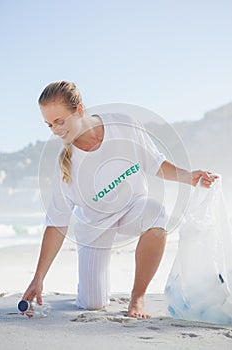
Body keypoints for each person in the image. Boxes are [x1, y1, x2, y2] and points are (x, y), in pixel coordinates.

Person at [22, 81, 217, 318]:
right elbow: (57, 223)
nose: (55, 130)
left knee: (156, 212)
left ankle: (138, 297)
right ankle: (89, 287)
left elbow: (154, 163)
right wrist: (38, 277)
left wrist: (189, 177)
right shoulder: (66, 165)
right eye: (49, 124)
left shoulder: (124, 125)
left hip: (133, 210)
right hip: (95, 227)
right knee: (93, 304)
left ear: (80, 109)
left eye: (60, 121)